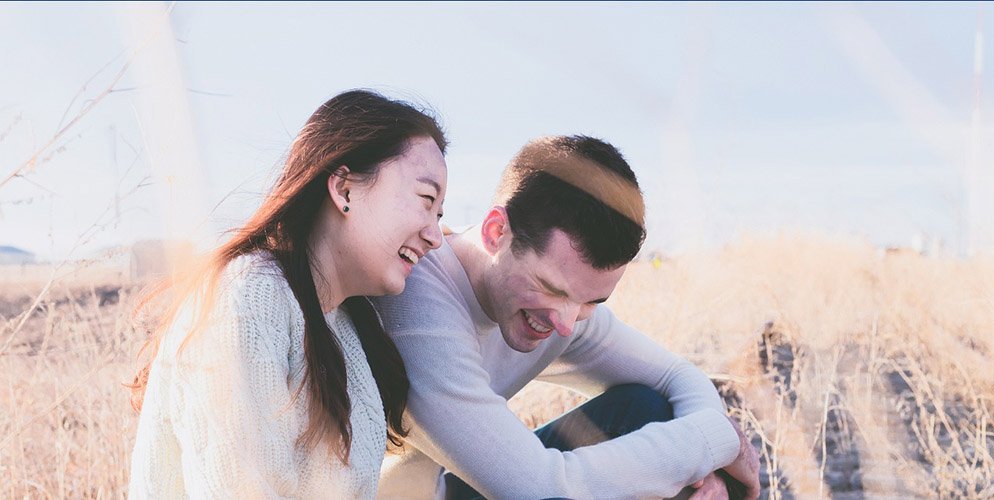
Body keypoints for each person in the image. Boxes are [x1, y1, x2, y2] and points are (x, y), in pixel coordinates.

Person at [372, 135, 760, 499]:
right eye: (552, 288)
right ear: (495, 232)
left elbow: (676, 376)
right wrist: (713, 443)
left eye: (592, 301)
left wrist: (706, 471)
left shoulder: (564, 311)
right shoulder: (417, 297)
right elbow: (537, 488)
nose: (566, 322)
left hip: (455, 486)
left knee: (648, 407)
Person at [127, 89, 448, 499]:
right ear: (345, 189)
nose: (435, 236)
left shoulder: (345, 326)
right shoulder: (247, 296)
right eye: (425, 201)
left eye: (440, 216)